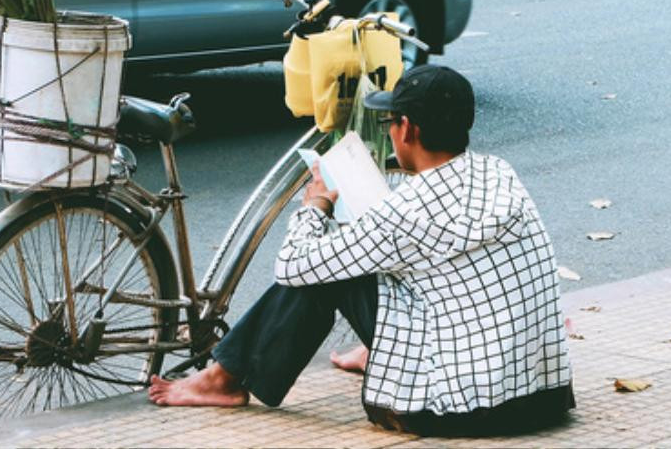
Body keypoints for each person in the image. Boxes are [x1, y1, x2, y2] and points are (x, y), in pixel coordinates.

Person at [148, 65, 575, 437]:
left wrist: (315, 207)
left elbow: (292, 267)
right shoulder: (498, 173)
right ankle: (378, 351)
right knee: (381, 265)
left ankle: (224, 379)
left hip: (456, 408)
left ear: (407, 128)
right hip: (536, 396)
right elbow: (435, 243)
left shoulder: (406, 212)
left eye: (390, 120)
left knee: (324, 272)